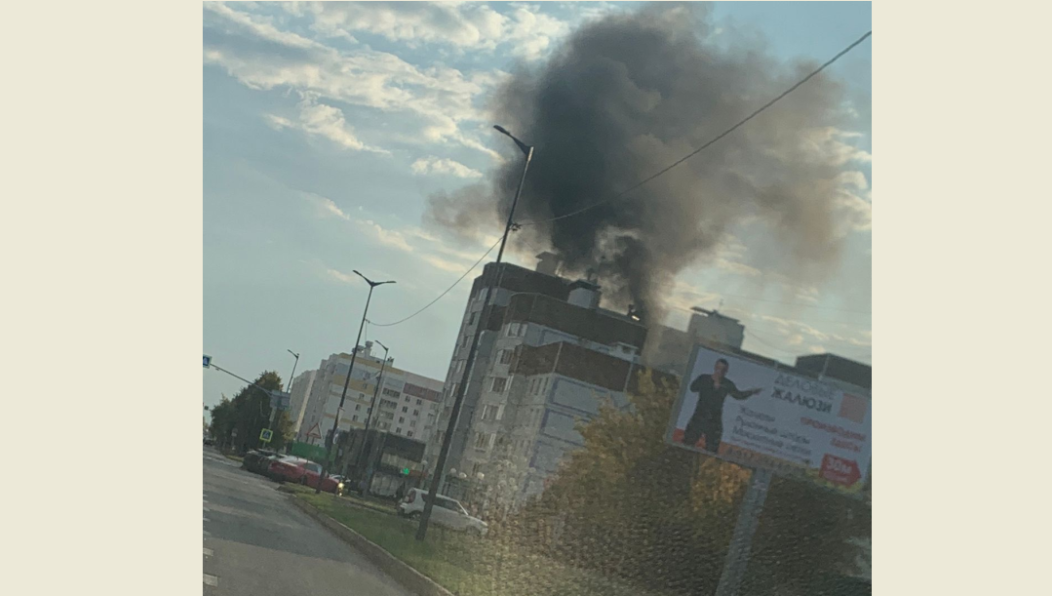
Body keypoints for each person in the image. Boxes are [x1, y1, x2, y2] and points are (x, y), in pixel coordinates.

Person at [681, 358, 762, 454]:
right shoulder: (704, 379)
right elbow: (692, 388)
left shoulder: (727, 384)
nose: (720, 371)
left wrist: (752, 392)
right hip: (699, 417)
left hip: (714, 420)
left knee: (712, 449)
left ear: (726, 371)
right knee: (687, 443)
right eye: (719, 368)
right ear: (715, 367)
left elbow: (738, 395)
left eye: (723, 369)